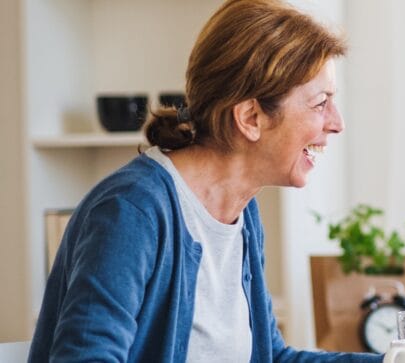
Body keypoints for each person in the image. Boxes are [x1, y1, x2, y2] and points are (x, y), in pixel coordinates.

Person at [29, 0, 380, 362]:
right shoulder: (132, 212)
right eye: (321, 103)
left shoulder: (241, 213)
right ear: (251, 117)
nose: (337, 123)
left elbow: (269, 357)